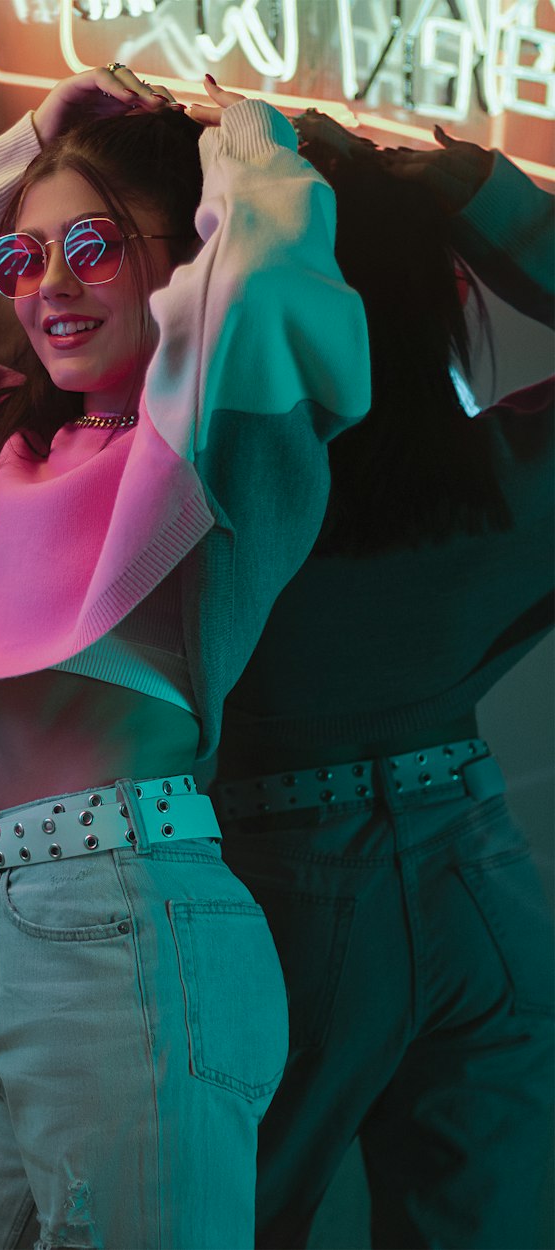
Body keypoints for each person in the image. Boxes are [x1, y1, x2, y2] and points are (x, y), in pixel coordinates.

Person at [0, 66, 370, 1250]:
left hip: (133, 929)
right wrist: (32, 140)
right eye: (19, 261)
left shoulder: (213, 438)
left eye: (90, 245)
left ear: (176, 251)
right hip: (6, 943)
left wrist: (238, 141)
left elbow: (266, 271)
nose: (49, 288)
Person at [211, 114, 554, 1250]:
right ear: (443, 300)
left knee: (231, 1219)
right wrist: (476, 186)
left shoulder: (215, 482)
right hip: (477, 866)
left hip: (285, 890)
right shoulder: (503, 485)